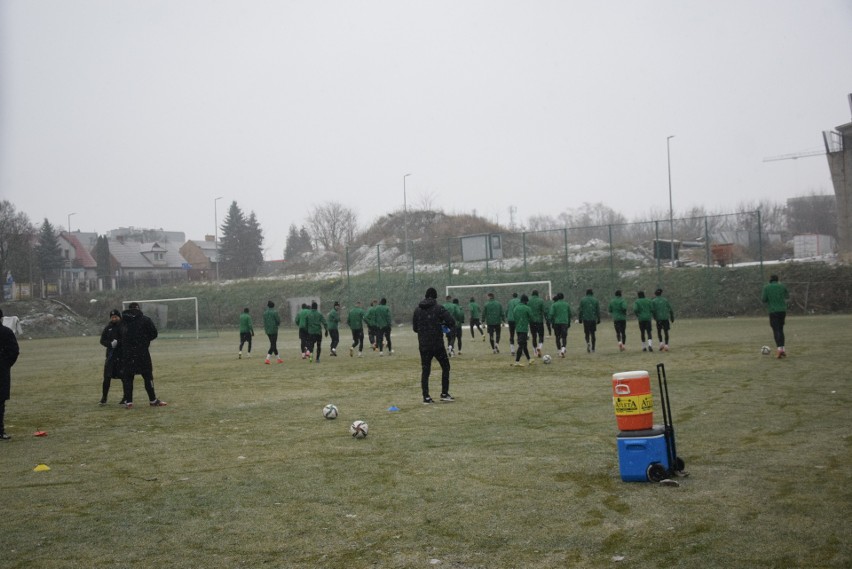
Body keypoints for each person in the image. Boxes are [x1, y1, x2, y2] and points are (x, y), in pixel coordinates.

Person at [412, 287, 455, 404]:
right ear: (435, 296)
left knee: (425, 370)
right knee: (445, 367)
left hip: (424, 345)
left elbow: (415, 328)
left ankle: (426, 396)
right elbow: (451, 321)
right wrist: (441, 325)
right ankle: (444, 393)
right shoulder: (439, 308)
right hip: (437, 344)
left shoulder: (417, 310)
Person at [119, 302, 166, 408]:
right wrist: (144, 341)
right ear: (139, 309)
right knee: (148, 376)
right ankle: (153, 400)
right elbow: (154, 333)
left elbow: (120, 335)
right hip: (142, 353)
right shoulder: (145, 320)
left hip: (127, 354)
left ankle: (129, 401)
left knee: (128, 378)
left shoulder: (123, 321)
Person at [0, 308, 20, 440]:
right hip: (1, 371)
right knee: (0, 402)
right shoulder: (6, 332)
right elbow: (14, 351)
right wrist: (5, 364)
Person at [99, 309, 123, 405]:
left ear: (119, 317)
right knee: (107, 377)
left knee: (124, 378)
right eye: (112, 317)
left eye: (115, 317)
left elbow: (127, 339)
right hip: (110, 356)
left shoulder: (123, 327)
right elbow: (102, 340)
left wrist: (119, 343)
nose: (114, 318)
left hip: (121, 356)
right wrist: (110, 344)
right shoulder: (108, 327)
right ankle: (104, 398)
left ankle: (126, 397)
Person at [761, 274, 789, 358]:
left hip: (773, 311)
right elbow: (787, 296)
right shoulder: (782, 286)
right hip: (782, 311)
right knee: (781, 329)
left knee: (776, 330)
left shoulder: (766, 287)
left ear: (770, 280)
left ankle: (779, 350)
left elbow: (763, 299)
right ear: (777, 280)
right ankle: (783, 349)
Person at [512, 294, 533, 366]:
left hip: (518, 328)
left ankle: (529, 359)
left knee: (524, 345)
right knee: (521, 345)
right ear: (526, 301)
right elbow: (531, 318)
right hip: (524, 328)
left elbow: (514, 317)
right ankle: (517, 361)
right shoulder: (527, 308)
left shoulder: (516, 308)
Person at [548, 293, 572, 358]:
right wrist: (569, 322)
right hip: (564, 322)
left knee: (557, 337)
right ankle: (563, 349)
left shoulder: (554, 305)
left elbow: (551, 314)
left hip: (557, 323)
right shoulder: (566, 304)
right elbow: (570, 314)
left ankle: (559, 351)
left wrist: (551, 322)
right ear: (563, 297)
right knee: (564, 337)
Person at [578, 289, 601, 353]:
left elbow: (580, 310)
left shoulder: (583, 300)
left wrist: (580, 318)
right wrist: (598, 318)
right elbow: (598, 310)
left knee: (587, 333)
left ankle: (588, 342)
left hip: (586, 319)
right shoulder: (595, 300)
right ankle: (593, 348)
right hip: (593, 318)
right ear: (592, 293)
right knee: (593, 333)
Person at [527, 289, 546, 357]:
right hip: (539, 321)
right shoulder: (541, 300)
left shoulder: (529, 301)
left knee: (534, 336)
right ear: (538, 294)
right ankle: (539, 347)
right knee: (541, 335)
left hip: (532, 321)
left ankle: (535, 351)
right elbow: (544, 310)